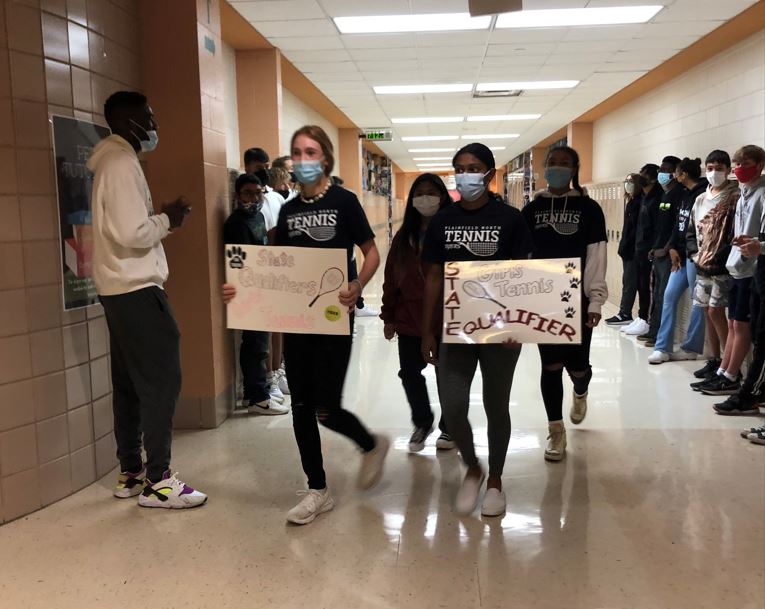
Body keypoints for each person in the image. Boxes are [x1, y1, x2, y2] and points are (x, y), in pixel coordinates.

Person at [223, 125, 389, 525]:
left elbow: (370, 253)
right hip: (297, 319)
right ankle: (318, 489)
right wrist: (241, 290)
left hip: (333, 317)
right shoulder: (290, 209)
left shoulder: (346, 202)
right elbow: (273, 267)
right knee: (300, 406)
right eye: (297, 153)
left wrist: (356, 284)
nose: (302, 160)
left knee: (325, 407)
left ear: (326, 159)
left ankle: (370, 443)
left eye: (310, 152)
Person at [87, 91, 206, 509]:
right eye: (148, 117)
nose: (154, 125)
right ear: (126, 121)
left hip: (118, 292)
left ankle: (132, 472)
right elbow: (132, 233)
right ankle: (159, 480)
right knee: (161, 382)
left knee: (130, 385)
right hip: (137, 291)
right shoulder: (120, 163)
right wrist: (168, 220)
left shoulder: (111, 162)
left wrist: (160, 218)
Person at [421, 143, 533, 517]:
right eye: (459, 168)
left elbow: (523, 276)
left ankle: (496, 481)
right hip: (454, 328)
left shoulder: (511, 219)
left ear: (488, 174)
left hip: (500, 330)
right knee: (452, 408)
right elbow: (433, 278)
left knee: (495, 404)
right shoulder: (442, 220)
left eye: (474, 167)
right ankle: (473, 467)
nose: (466, 174)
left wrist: (518, 324)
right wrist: (427, 331)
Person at [521, 146, 608, 462]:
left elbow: (596, 254)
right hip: (544, 295)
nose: (557, 168)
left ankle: (581, 387)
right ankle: (556, 431)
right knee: (550, 365)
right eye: (552, 163)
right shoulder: (532, 210)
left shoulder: (589, 208)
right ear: (544, 168)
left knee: (576, 366)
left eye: (564, 164)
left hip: (577, 297)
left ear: (575, 169)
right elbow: (524, 255)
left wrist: (596, 300)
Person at [380, 173, 454, 453]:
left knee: (449, 376)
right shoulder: (404, 237)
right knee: (410, 373)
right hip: (410, 318)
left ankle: (449, 428)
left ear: (442, 197)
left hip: (448, 317)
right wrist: (388, 316)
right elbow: (391, 277)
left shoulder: (453, 231)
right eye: (419, 193)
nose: (425, 198)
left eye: (431, 192)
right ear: (411, 200)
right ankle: (422, 422)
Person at [697, 146, 765, 397]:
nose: (738, 168)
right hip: (736, 266)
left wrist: (756, 247)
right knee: (734, 322)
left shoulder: (760, 193)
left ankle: (731, 375)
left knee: (743, 324)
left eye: (744, 163)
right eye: (736, 163)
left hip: (752, 269)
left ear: (759, 165)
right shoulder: (745, 193)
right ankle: (724, 371)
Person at [223, 173, 289, 416]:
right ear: (237, 196)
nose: (254, 197)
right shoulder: (235, 223)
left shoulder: (259, 216)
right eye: (247, 193)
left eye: (258, 192)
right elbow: (239, 260)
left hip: (263, 284)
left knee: (261, 342)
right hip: (247, 288)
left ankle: (257, 392)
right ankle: (257, 397)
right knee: (255, 344)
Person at [647, 158, 708, 363]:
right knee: (669, 296)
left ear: (682, 174)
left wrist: (687, 252)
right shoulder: (684, 194)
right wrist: (672, 247)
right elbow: (678, 225)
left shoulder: (702, 194)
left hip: (693, 257)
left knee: (697, 301)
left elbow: (698, 231)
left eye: (677, 173)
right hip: (679, 256)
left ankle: (691, 348)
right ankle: (662, 347)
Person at [686, 150, 738, 385]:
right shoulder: (700, 198)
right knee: (706, 311)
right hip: (702, 264)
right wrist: (693, 252)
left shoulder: (734, 196)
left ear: (727, 169)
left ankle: (728, 366)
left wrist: (724, 257)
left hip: (723, 266)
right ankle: (714, 359)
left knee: (718, 312)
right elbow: (690, 230)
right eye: (709, 167)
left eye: (718, 167)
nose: (714, 172)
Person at [639, 156, 684, 346]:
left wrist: (666, 248)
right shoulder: (664, 195)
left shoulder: (679, 194)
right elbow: (660, 227)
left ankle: (661, 336)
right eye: (660, 169)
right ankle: (653, 330)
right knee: (656, 293)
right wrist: (654, 248)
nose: (661, 173)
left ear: (675, 173)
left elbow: (676, 226)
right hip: (657, 252)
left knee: (663, 295)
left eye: (665, 169)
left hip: (667, 254)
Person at [622, 164, 661, 336]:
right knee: (640, 285)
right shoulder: (645, 197)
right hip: (639, 249)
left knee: (648, 287)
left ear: (653, 178)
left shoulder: (657, 197)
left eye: (643, 175)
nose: (640, 178)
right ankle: (641, 317)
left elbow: (657, 228)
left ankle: (647, 321)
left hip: (649, 251)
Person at [606, 173, 645, 325]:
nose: (628, 184)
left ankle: (625, 313)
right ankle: (625, 312)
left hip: (634, 251)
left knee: (630, 283)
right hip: (627, 250)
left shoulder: (640, 202)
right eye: (626, 181)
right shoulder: (631, 201)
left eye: (631, 181)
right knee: (627, 281)